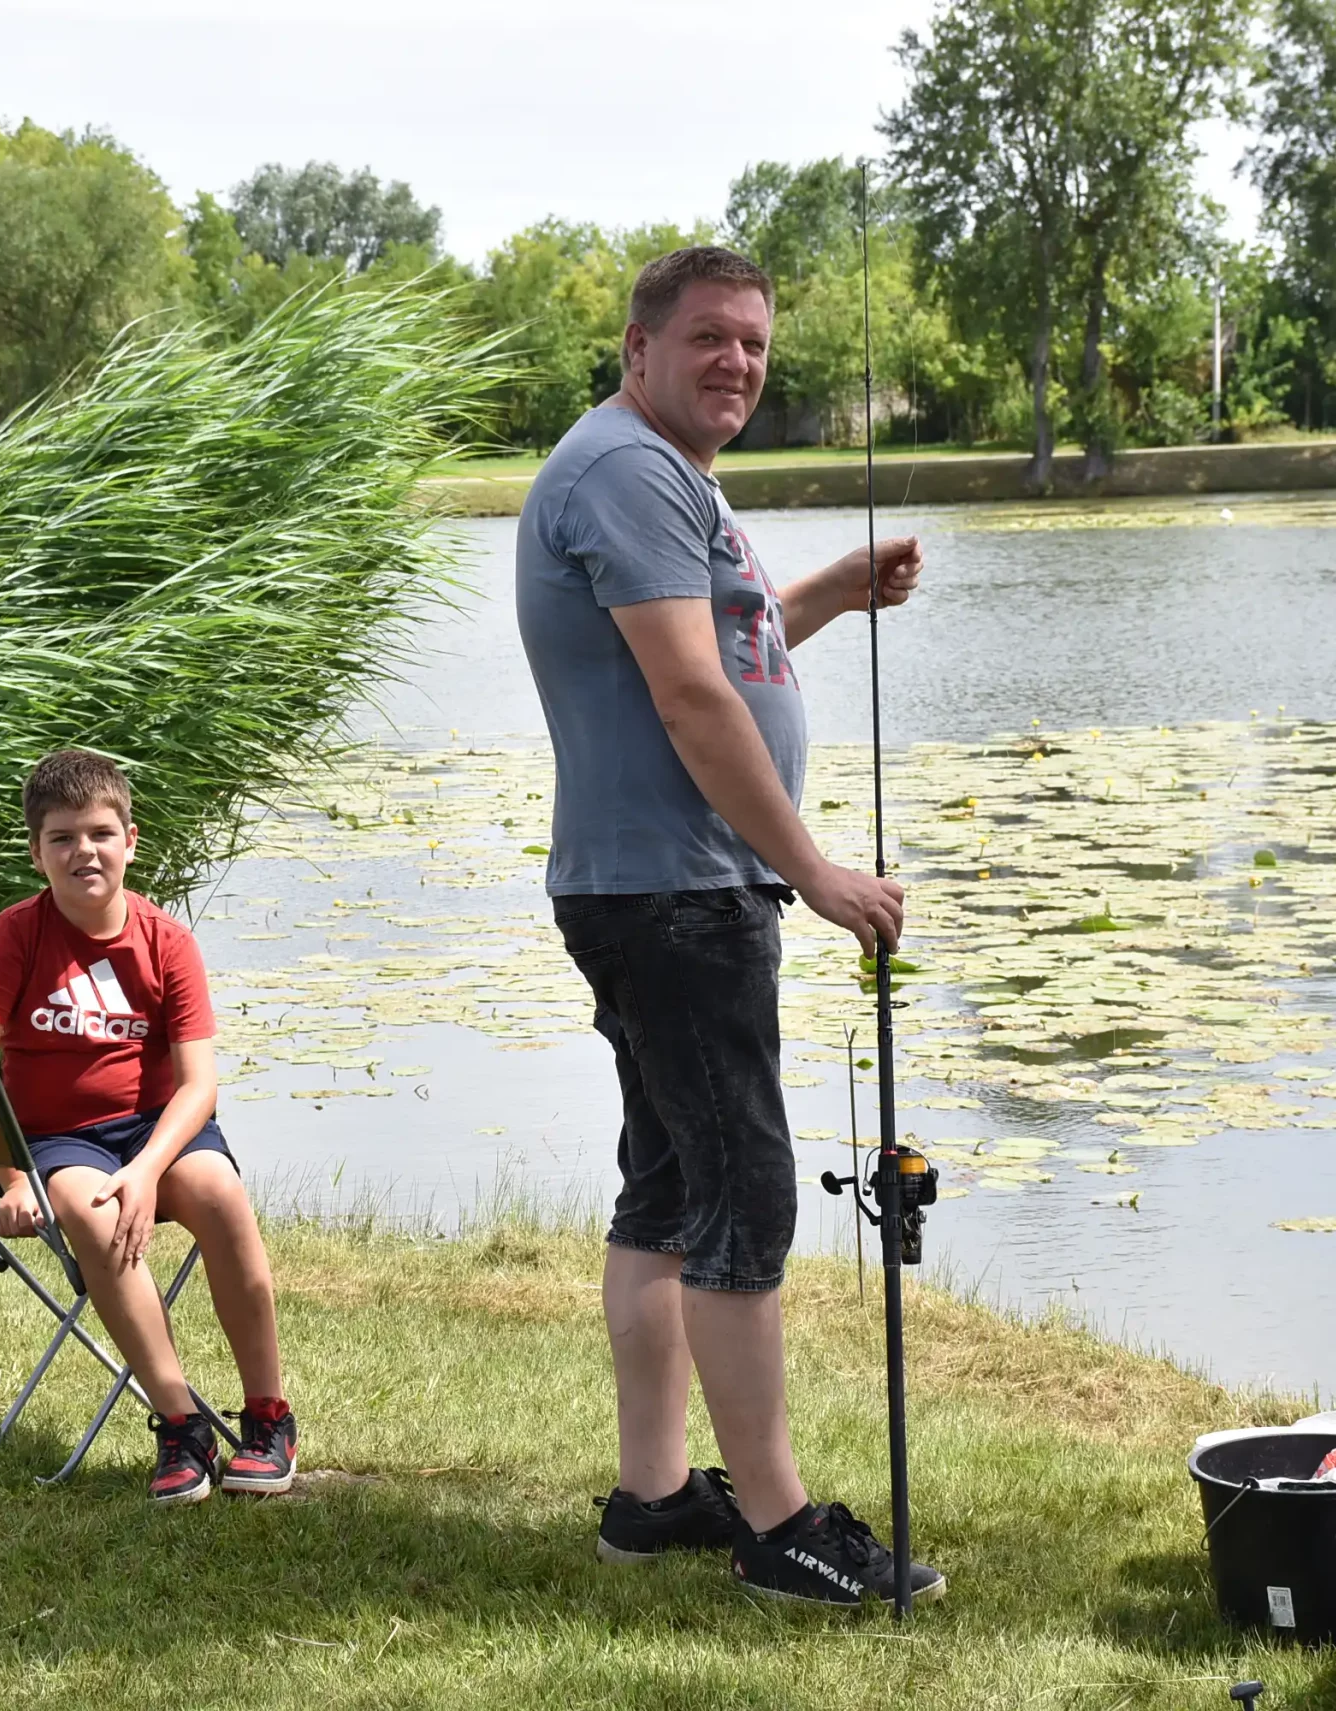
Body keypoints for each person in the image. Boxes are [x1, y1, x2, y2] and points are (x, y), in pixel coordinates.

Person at [516, 246, 940, 1606]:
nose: (737, 363)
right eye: (709, 338)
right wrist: (815, 870)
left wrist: (827, 589)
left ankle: (654, 1497)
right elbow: (696, 702)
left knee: (669, 1186)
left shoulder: (656, 470)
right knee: (747, 1193)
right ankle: (779, 1524)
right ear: (638, 347)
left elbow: (729, 652)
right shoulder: (631, 470)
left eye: (754, 343)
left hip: (660, 883)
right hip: (678, 894)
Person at [0, 747, 296, 1503]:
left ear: (131, 840)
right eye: (63, 837)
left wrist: (146, 1170)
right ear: (36, 851)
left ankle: (270, 1418)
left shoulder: (167, 940)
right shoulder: (18, 933)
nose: (85, 851)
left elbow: (200, 1084)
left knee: (218, 1189)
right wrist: (14, 1178)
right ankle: (182, 1425)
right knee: (87, 1204)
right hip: (57, 1141)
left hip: (158, 1128)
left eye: (101, 833)